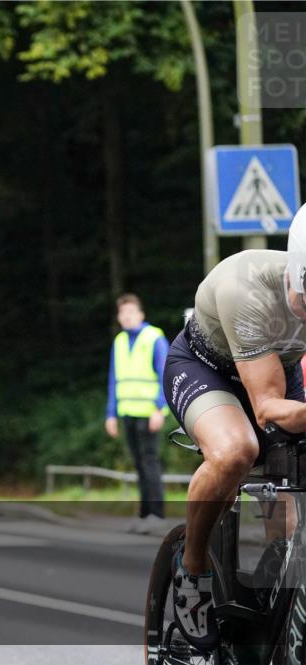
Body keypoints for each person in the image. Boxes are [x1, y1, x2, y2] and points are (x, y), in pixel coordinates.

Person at [163, 204, 306, 652]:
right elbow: (267, 408)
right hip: (208, 369)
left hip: (278, 370)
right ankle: (192, 567)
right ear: (294, 276)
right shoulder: (245, 288)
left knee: (292, 520)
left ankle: (274, 604)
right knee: (236, 451)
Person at [104, 294, 169, 533]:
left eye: (131, 312)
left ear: (141, 314)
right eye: (123, 313)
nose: (127, 316)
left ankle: (157, 515)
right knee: (139, 465)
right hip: (127, 412)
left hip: (149, 412)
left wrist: (159, 409)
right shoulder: (120, 341)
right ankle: (144, 515)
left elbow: (165, 374)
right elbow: (114, 379)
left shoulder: (154, 337)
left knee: (150, 463)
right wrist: (111, 414)